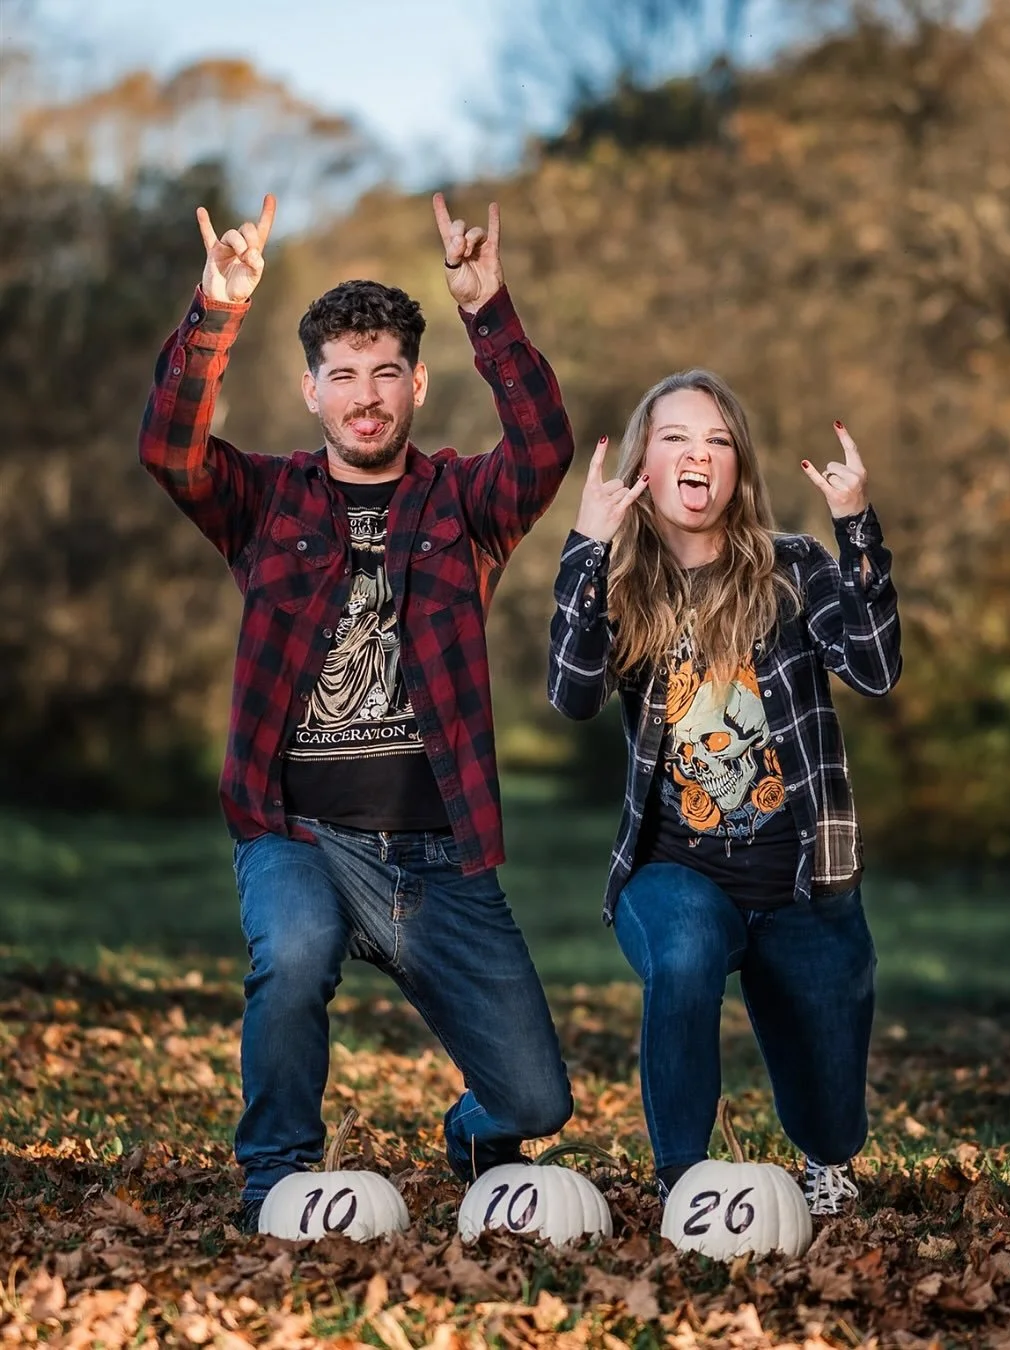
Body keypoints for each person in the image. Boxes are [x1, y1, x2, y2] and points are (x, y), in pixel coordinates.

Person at [139, 191, 575, 1228]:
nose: (366, 397)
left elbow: (545, 450)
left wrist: (489, 309)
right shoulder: (266, 501)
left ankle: (474, 1136)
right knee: (289, 955)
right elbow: (170, 450)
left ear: (418, 383)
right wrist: (213, 313)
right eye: (344, 376)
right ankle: (276, 1180)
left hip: (436, 858)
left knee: (536, 1099)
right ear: (311, 392)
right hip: (299, 835)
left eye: (385, 373)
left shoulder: (465, 505)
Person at [548, 369, 901, 1217]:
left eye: (716, 439)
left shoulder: (793, 569)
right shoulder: (626, 583)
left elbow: (875, 668)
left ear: (737, 466)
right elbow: (573, 692)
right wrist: (585, 548)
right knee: (682, 957)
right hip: (678, 872)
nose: (696, 453)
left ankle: (826, 1158)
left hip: (803, 880)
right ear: (645, 463)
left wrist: (856, 529)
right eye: (674, 437)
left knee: (830, 1115)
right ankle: (684, 1183)